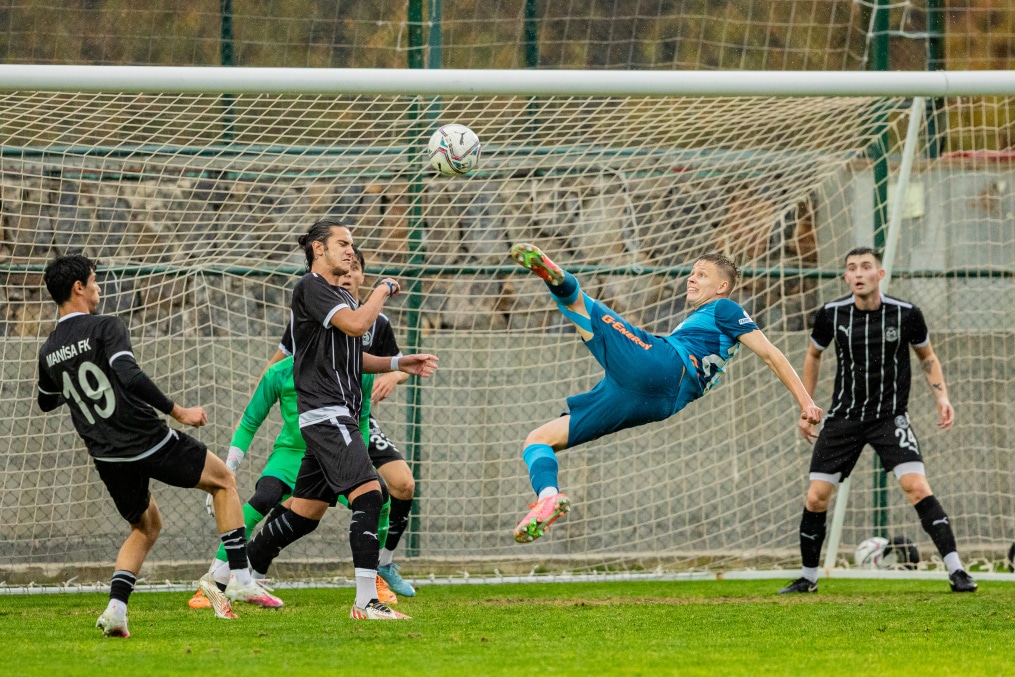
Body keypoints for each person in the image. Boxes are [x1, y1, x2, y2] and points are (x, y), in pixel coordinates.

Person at [508, 243, 823, 543]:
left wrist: (806, 402)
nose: (691, 277)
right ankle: (548, 498)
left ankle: (557, 275)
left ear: (722, 287)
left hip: (661, 366)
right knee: (537, 440)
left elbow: (771, 354)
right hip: (651, 400)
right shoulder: (701, 323)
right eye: (692, 272)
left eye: (701, 274)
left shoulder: (724, 308)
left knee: (577, 301)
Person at [35, 255, 280, 638]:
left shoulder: (48, 349)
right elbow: (129, 374)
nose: (99, 288)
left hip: (106, 454)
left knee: (146, 526)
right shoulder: (105, 326)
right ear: (78, 288)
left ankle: (116, 609)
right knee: (223, 480)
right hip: (144, 437)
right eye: (94, 281)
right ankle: (241, 578)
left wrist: (77, 381)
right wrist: (178, 411)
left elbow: (46, 400)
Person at [243, 219, 438, 621]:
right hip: (328, 412)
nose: (351, 251)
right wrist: (384, 288)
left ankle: (233, 570)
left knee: (304, 514)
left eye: (353, 245)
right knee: (371, 494)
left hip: (337, 415)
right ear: (318, 249)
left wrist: (401, 363)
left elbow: (354, 355)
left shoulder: (338, 297)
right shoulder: (312, 287)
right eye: (343, 243)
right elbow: (356, 325)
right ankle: (367, 600)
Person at [779, 247, 977, 594]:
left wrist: (942, 396)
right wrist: (807, 405)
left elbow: (927, 356)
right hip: (843, 418)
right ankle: (808, 578)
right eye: (852, 268)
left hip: (890, 418)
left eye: (866, 267)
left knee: (916, 486)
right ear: (845, 277)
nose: (859, 273)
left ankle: (957, 570)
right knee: (816, 497)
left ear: (880, 274)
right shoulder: (831, 314)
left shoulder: (906, 314)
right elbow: (813, 355)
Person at [188, 349, 399, 611]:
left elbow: (362, 418)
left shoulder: (357, 369)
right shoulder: (279, 372)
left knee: (378, 498)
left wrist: (359, 460)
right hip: (290, 455)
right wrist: (228, 471)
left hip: (337, 453)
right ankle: (216, 579)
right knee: (265, 499)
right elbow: (249, 422)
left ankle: (374, 576)